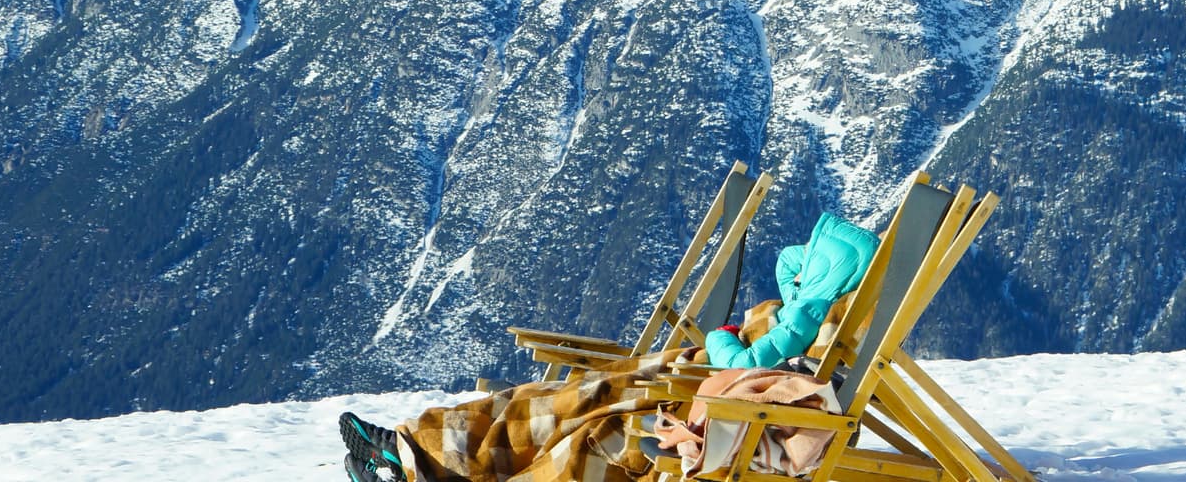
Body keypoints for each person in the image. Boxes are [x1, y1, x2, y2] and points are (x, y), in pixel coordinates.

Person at [336, 211, 880, 482]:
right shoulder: (812, 305)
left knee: (594, 427)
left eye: (813, 262)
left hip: (700, 390)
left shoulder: (816, 316)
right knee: (554, 397)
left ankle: (417, 459)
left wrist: (723, 336)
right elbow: (786, 280)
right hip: (686, 376)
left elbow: (755, 365)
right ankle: (412, 451)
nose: (799, 267)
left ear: (828, 274)